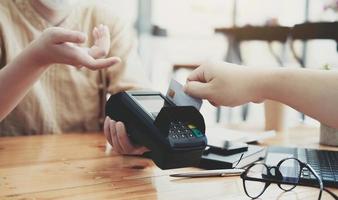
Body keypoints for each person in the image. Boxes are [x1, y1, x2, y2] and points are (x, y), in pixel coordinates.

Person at [0, 0, 148, 154]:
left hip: (89, 169)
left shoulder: (108, 21)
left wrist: (140, 136)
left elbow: (138, 96)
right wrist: (36, 59)